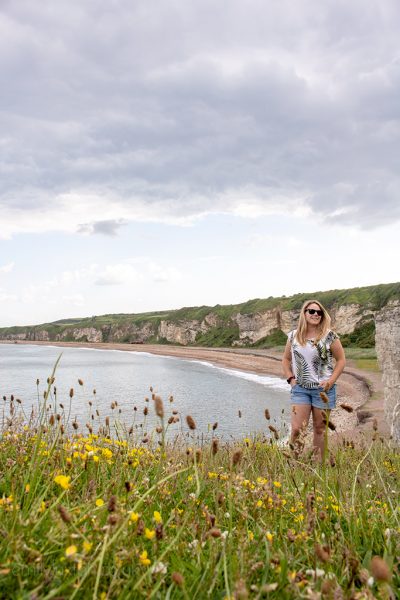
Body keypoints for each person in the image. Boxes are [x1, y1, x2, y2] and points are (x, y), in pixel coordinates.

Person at [282, 299, 346, 458]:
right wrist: (290, 379)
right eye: (312, 311)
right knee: (297, 429)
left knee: (319, 429)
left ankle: (319, 465)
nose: (316, 314)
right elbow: (285, 359)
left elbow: (341, 360)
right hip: (300, 389)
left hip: (323, 390)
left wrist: (331, 381)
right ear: (304, 313)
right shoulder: (293, 336)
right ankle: (293, 464)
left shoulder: (329, 336)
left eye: (319, 312)